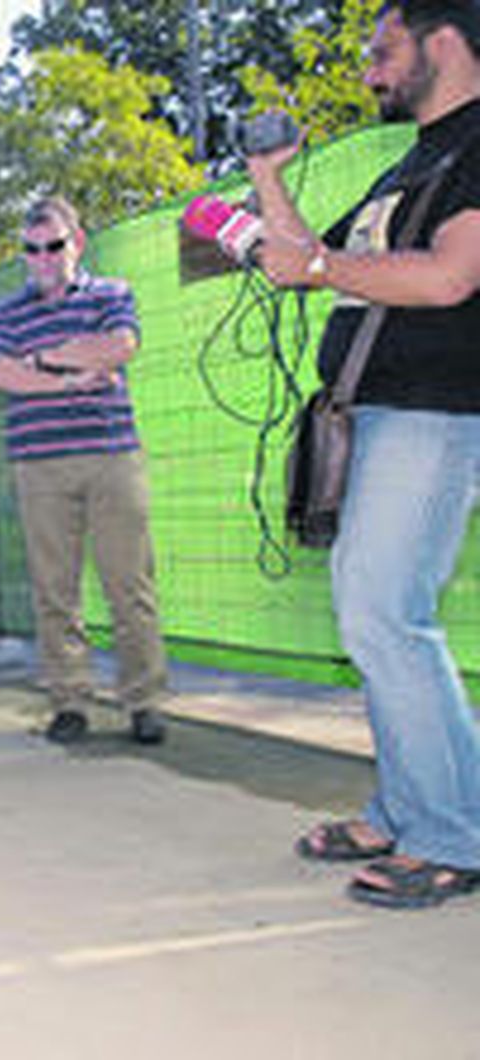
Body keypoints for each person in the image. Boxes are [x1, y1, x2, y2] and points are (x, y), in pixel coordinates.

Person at [250, 0, 480, 910]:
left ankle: (449, 837)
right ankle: (409, 810)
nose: (369, 70)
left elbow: (450, 276)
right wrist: (267, 175)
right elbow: (305, 253)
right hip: (374, 412)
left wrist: (310, 269)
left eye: (382, 50)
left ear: (443, 40)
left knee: (388, 618)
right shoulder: (412, 160)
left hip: (437, 409)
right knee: (375, 616)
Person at [0, 197, 170, 746]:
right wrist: (71, 372)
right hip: (38, 465)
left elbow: (118, 345)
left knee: (129, 586)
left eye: (54, 245)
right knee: (53, 590)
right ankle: (69, 700)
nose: (42, 257)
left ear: (77, 243)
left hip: (112, 456)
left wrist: (40, 360)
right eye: (31, 249)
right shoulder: (5, 312)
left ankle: (145, 701)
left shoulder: (111, 292)